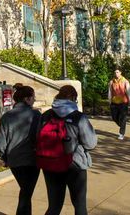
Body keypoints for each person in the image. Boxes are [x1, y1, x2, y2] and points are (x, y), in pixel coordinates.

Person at [37, 85, 97, 215]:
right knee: (79, 205)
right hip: (75, 164)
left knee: (54, 206)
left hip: (50, 163)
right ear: (74, 98)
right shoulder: (78, 117)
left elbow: (37, 137)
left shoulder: (46, 115)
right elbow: (91, 143)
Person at [0, 84, 41, 215]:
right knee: (26, 193)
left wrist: (5, 157)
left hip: (14, 160)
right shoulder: (36, 115)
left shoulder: (6, 116)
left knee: (26, 191)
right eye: (33, 97)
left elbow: (0, 141)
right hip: (32, 159)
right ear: (27, 99)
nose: (34, 99)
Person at [108, 69, 130, 140]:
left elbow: (129, 92)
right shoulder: (111, 82)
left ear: (120, 73)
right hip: (114, 102)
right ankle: (122, 125)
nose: (116, 73)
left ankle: (121, 133)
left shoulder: (125, 81)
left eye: (117, 72)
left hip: (123, 102)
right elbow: (110, 92)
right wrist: (109, 101)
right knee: (114, 117)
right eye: (115, 72)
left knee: (123, 118)